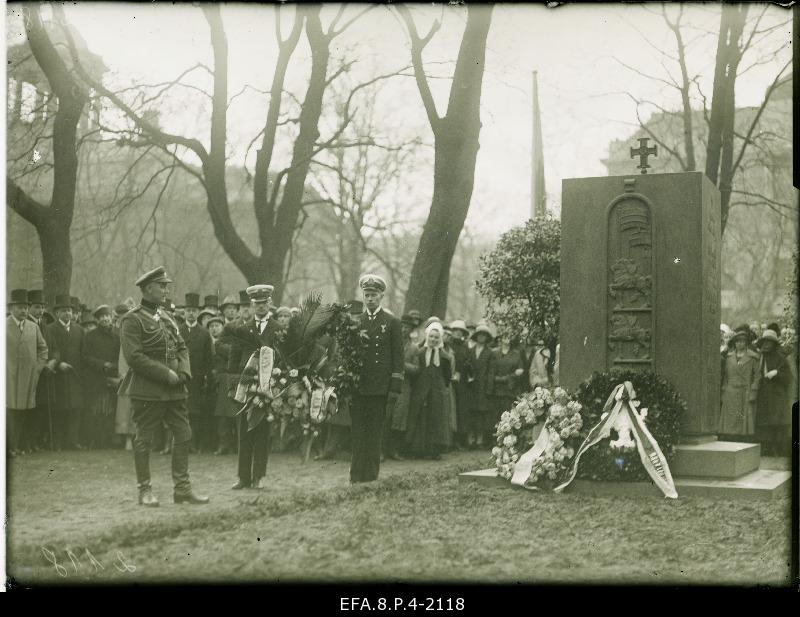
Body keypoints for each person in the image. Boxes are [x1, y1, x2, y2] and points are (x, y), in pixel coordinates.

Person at [118, 266, 208, 506]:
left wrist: (184, 372)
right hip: (148, 389)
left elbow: (181, 346)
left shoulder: (167, 317)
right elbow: (134, 356)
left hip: (175, 388)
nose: (166, 290)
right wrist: (165, 373)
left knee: (184, 434)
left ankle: (182, 489)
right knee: (144, 439)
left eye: (166, 285)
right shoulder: (132, 319)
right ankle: (144, 490)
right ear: (148, 289)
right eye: (162, 286)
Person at [349, 274, 403, 483]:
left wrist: (394, 389)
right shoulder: (356, 322)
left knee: (374, 434)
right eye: (367, 294)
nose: (370, 298)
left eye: (374, 295)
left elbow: (398, 358)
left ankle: (370, 476)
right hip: (359, 388)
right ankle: (355, 475)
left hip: (380, 389)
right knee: (358, 434)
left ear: (381, 296)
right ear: (363, 296)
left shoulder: (391, 323)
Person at [226, 284, 281, 490]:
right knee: (244, 431)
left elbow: (283, 359)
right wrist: (233, 387)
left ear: (269, 303)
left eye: (264, 303)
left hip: (268, 385)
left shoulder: (277, 329)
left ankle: (258, 476)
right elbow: (232, 360)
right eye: (257, 303)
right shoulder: (242, 328)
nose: (260, 307)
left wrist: (278, 385)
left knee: (262, 432)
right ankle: (243, 477)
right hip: (245, 387)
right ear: (252, 305)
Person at [6, 289, 49, 456]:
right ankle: (9, 446)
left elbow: (43, 349)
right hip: (8, 378)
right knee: (10, 412)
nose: (23, 311)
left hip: (28, 378)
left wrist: (37, 368)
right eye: (19, 307)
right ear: (11, 309)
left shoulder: (33, 327)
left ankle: (20, 445)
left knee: (24, 413)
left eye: (25, 307)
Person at [405, 322, 453, 460]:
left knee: (435, 420)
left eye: (436, 337)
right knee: (420, 418)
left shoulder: (444, 357)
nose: (433, 340)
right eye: (431, 336)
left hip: (437, 393)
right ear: (427, 337)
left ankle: (434, 450)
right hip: (420, 391)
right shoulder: (420, 353)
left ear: (440, 339)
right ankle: (417, 449)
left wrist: (439, 388)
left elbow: (447, 377)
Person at [46, 294, 87, 450]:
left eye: (69, 310)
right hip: (58, 375)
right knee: (59, 410)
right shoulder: (50, 329)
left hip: (75, 375)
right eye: (64, 311)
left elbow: (83, 353)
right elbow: (49, 351)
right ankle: (57, 442)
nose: (67, 314)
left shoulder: (79, 330)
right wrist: (58, 365)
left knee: (75, 409)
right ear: (57, 313)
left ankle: (73, 441)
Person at [179, 293, 215, 453]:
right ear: (184, 312)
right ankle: (181, 443)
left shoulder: (204, 333)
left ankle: (195, 444)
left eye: (194, 310)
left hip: (198, 379)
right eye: (188, 310)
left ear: (197, 312)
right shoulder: (177, 331)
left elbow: (209, 359)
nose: (191, 313)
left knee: (196, 413)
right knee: (181, 411)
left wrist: (207, 376)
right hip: (181, 378)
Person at [82, 305, 121, 449]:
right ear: (98, 320)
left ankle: (107, 441)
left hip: (112, 378)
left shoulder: (117, 336)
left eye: (107, 316)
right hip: (95, 378)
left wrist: (114, 366)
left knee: (109, 410)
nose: (105, 319)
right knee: (95, 410)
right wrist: (102, 364)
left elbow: (122, 356)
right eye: (102, 317)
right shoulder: (90, 336)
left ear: (111, 318)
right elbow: (85, 356)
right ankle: (94, 441)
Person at [383, 313, 419, 460]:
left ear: (411, 330)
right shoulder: (389, 343)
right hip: (388, 385)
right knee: (386, 417)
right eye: (402, 327)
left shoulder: (414, 348)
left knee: (399, 420)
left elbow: (417, 369)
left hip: (404, 387)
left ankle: (394, 450)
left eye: (407, 327)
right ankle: (381, 451)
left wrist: (402, 365)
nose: (404, 330)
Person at [754, 329, 794, 457]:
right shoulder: (759, 357)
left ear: (774, 344)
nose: (767, 345)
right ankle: (766, 449)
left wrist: (777, 373)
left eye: (770, 342)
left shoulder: (781, 358)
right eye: (765, 341)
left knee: (777, 423)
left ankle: (777, 450)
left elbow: (788, 378)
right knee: (764, 423)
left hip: (777, 396)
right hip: (763, 395)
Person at [719, 325, 760, 438]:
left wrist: (753, 391)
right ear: (734, 343)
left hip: (745, 392)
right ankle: (729, 439)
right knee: (730, 421)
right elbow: (725, 377)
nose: (740, 344)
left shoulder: (753, 358)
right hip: (730, 392)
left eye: (742, 341)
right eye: (737, 342)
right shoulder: (729, 357)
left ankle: (742, 440)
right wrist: (724, 391)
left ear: (746, 343)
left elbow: (757, 376)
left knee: (742, 422)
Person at [207, 315, 237, 455]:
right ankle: (223, 444)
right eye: (211, 326)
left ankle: (234, 445)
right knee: (222, 416)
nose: (214, 329)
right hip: (219, 383)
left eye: (217, 326)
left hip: (232, 379)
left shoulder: (227, 342)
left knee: (234, 414)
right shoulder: (213, 343)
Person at [488, 332, 526, 431]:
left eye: (509, 336)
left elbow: (520, 372)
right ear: (500, 338)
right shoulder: (494, 353)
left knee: (509, 416)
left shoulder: (517, 354)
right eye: (505, 336)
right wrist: (496, 379)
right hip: (496, 391)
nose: (507, 339)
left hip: (510, 390)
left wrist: (506, 378)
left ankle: (507, 440)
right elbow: (491, 371)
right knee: (496, 416)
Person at [468, 323, 495, 449]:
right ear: (476, 336)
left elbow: (491, 372)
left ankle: (480, 439)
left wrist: (489, 389)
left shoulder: (490, 353)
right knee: (471, 412)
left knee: (481, 413)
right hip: (472, 386)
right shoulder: (471, 351)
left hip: (483, 387)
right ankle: (471, 439)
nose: (481, 338)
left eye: (484, 335)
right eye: (479, 335)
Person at [448, 320, 474, 450]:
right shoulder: (448, 344)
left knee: (461, 411)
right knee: (451, 410)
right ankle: (450, 440)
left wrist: (467, 367)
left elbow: (470, 364)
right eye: (455, 331)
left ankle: (460, 439)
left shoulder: (466, 347)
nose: (457, 333)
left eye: (460, 331)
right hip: (450, 381)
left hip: (462, 382)